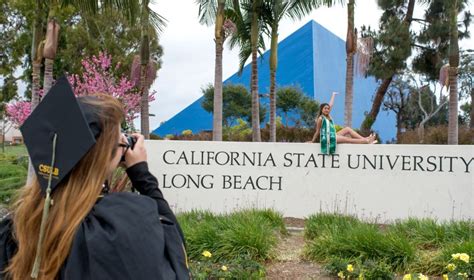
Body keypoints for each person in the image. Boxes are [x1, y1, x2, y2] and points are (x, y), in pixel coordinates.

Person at [0, 77, 189, 279]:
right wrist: (141, 174)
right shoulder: (121, 225)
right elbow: (175, 255)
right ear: (104, 159)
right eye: (119, 140)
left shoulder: (20, 223)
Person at [310, 92, 377, 154]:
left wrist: (333, 95)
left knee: (347, 129)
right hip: (328, 138)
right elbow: (317, 131)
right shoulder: (320, 118)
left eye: (328, 108)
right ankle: (366, 141)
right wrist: (312, 141)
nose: (327, 110)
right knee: (347, 139)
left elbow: (331, 104)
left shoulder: (328, 116)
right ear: (321, 109)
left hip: (332, 134)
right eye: (325, 108)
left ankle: (365, 138)